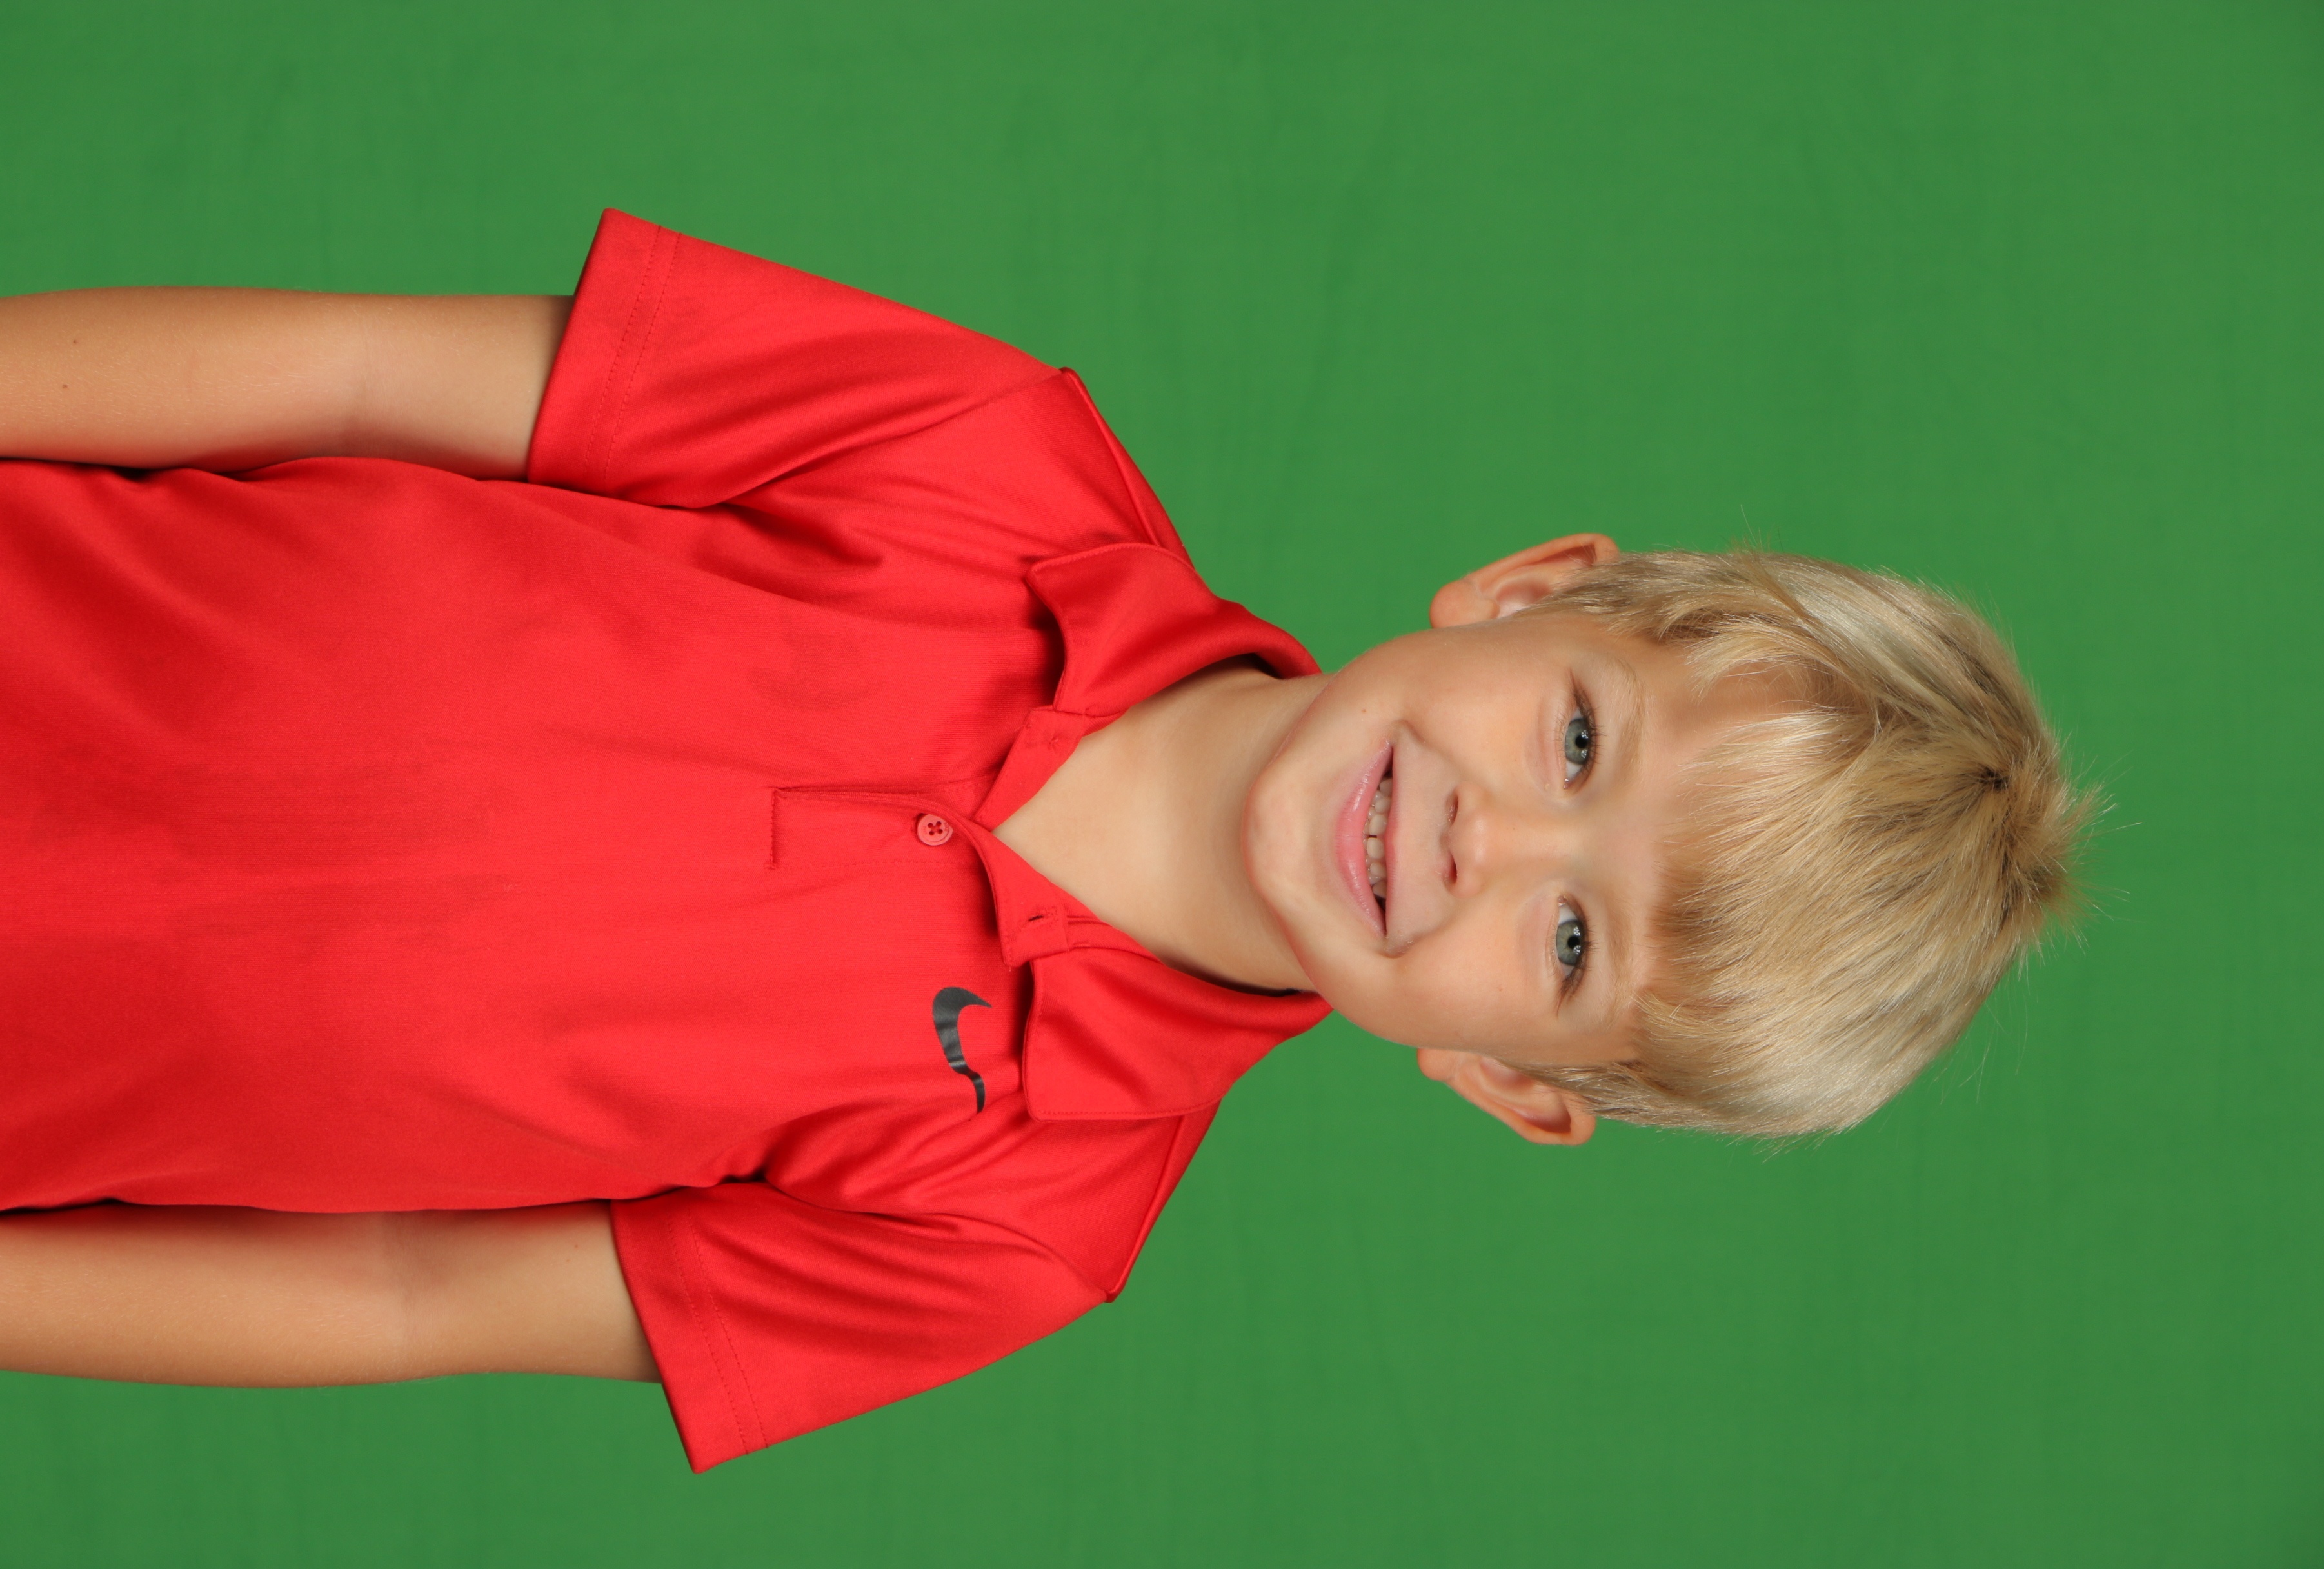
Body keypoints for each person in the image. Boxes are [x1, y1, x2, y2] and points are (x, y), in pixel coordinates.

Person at [0, 212, 2087, 1470]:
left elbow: (399, 1295)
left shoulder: (1016, 1231)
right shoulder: (986, 453)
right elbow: (358, 373)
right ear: (1536, 591)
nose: (1493, 839)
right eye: (1576, 740)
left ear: (1507, 1080)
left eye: (1569, 945)